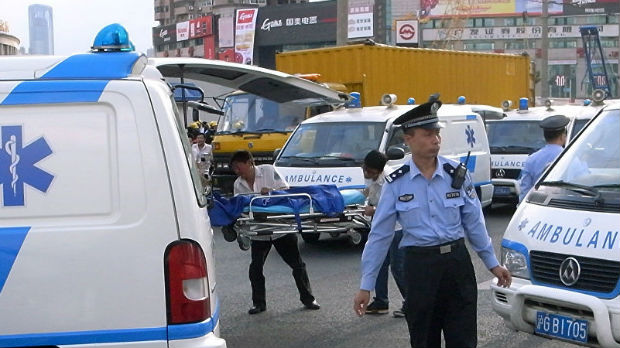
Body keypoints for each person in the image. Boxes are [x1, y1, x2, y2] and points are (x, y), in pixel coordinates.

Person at [353, 100, 511, 348]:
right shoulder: (397, 183)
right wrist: (367, 285)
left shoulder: (456, 174)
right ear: (408, 140)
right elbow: (380, 236)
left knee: (464, 339)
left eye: (437, 133)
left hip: (457, 265)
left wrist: (492, 263)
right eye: (428, 134)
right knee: (424, 339)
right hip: (420, 267)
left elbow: (475, 223)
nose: (435, 139)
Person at [230, 150, 320, 315]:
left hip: (280, 227)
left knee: (297, 265)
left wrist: (270, 191)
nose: (237, 171)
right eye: (234, 168)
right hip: (260, 229)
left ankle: (309, 298)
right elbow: (239, 206)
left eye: (239, 167)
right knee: (255, 268)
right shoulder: (238, 184)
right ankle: (259, 303)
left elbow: (286, 190)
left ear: (250, 163)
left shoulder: (268, 171)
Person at [361, 150, 407, 318]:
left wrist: (374, 209)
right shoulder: (370, 175)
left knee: (398, 267)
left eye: (370, 172)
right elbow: (370, 193)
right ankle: (381, 301)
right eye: (365, 169)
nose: (367, 174)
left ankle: (410, 303)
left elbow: (397, 206)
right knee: (379, 264)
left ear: (379, 170)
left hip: (397, 228)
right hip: (381, 228)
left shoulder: (391, 179)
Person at [518, 114, 570, 202]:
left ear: (544, 137)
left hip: (538, 206)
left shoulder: (531, 159)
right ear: (562, 136)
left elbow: (525, 192)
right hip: (563, 205)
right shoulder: (569, 157)